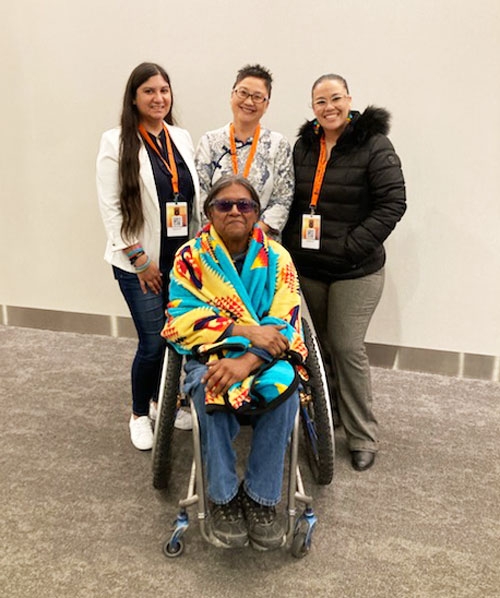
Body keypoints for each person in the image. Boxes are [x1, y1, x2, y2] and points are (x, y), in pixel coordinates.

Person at [162, 175, 308, 550]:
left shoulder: (278, 258)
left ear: (257, 213)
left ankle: (261, 498)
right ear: (209, 212)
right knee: (212, 389)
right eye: (224, 205)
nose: (234, 211)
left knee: (284, 393)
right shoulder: (190, 258)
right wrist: (246, 331)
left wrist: (248, 360)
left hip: (264, 359)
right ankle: (223, 496)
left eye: (244, 205)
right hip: (210, 355)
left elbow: (285, 319)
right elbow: (180, 319)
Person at [282, 74, 406, 472]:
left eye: (335, 98)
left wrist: (351, 246)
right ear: (312, 107)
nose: (328, 107)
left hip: (357, 269)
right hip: (313, 268)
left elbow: (393, 203)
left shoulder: (374, 144)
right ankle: (328, 413)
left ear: (349, 100)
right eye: (320, 101)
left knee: (347, 346)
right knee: (319, 347)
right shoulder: (304, 146)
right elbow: (292, 201)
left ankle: (362, 434)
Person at [97, 62, 201, 451]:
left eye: (164, 90)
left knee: (178, 339)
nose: (159, 98)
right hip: (138, 262)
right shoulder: (116, 141)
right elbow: (111, 207)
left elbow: (192, 197)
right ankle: (140, 413)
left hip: (180, 261)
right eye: (149, 91)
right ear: (134, 97)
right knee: (153, 342)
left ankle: (166, 402)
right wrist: (140, 260)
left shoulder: (181, 137)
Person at [195, 64, 294, 239]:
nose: (249, 102)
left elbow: (283, 199)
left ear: (267, 104)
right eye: (243, 93)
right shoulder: (210, 142)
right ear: (232, 95)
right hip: (216, 241)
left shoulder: (278, 145)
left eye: (257, 97)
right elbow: (200, 193)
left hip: (262, 244)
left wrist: (252, 233)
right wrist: (223, 230)